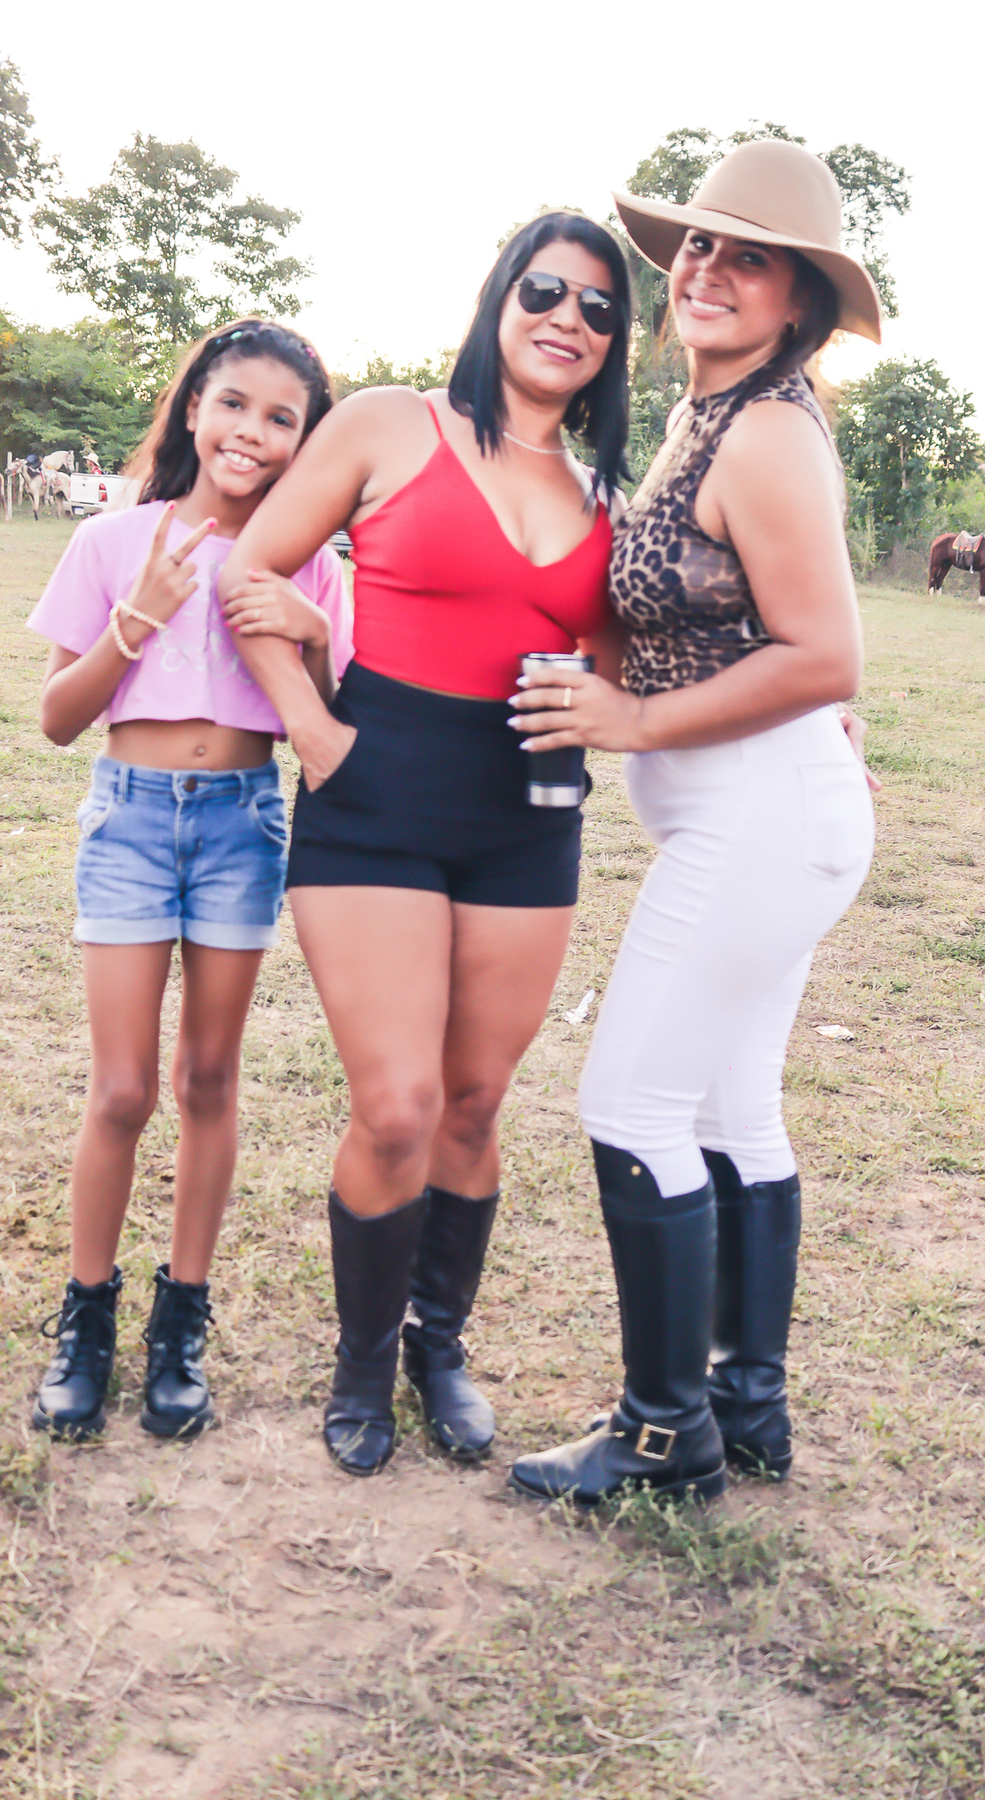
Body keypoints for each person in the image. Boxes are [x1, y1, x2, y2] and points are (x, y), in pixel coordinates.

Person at [219, 215, 631, 1478]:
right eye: (545, 288)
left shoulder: (607, 496)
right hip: (376, 798)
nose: (567, 317)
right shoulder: (390, 425)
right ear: (500, 296)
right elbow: (250, 574)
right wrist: (316, 734)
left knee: (473, 1101)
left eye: (598, 307)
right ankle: (361, 1366)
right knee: (396, 1106)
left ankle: (436, 1348)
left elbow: (621, 664)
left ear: (615, 345)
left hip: (528, 818)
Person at [507, 139, 879, 1506]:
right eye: (701, 247)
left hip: (758, 814)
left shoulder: (768, 431)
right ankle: (744, 1402)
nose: (710, 270)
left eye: (750, 257)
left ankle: (666, 1435)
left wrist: (633, 722)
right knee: (728, 1108)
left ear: (801, 300)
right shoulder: (710, 415)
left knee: (630, 1102)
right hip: (766, 811)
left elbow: (825, 653)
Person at [26, 320, 352, 1441]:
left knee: (208, 1078)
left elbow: (333, 724)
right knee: (122, 1091)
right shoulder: (115, 539)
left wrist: (314, 632)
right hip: (128, 820)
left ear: (306, 443)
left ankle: (182, 1319)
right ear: (194, 409)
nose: (251, 432)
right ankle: (87, 1317)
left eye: (281, 418)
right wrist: (138, 618)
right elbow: (57, 719)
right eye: (233, 405)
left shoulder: (315, 564)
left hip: (242, 824)